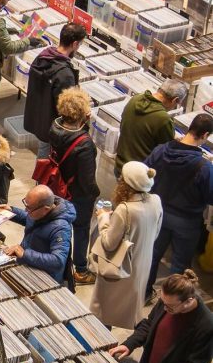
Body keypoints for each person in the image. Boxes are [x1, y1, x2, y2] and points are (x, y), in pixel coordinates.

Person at [111, 270, 213, 363]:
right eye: (162, 302)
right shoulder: (168, 300)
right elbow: (149, 324)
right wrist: (130, 344)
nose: (165, 308)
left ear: (188, 301)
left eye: (170, 307)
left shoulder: (206, 325)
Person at [90, 162, 163, 330]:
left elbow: (109, 243)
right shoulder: (156, 201)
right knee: (131, 308)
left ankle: (103, 340)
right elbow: (156, 233)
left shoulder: (125, 209)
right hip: (142, 264)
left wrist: (103, 217)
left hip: (120, 266)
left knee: (105, 310)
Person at [147, 113, 213, 292]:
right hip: (187, 222)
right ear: (205, 135)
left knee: (152, 255)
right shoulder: (204, 167)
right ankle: (171, 301)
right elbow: (210, 196)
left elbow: (146, 174)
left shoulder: (160, 150)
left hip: (159, 212)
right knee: (180, 265)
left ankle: (144, 292)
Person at [49, 87, 99, 286]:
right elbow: (87, 180)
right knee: (81, 229)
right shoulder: (84, 144)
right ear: (82, 114)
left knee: (61, 225)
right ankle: (81, 270)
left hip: (57, 186)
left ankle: (63, 264)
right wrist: (95, 193)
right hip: (77, 194)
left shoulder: (55, 127)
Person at [23, 22, 86, 153]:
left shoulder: (42, 57)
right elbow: (67, 109)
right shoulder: (65, 74)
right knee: (46, 159)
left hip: (39, 118)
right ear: (75, 44)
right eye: (80, 45)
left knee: (43, 152)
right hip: (53, 128)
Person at [4, 186, 76, 285]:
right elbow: (28, 218)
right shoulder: (39, 211)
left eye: (29, 208)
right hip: (28, 266)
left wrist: (25, 254)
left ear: (45, 209)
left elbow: (58, 261)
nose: (26, 210)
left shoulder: (61, 228)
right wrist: (11, 211)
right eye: (25, 204)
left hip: (44, 279)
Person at [115, 78, 188, 176]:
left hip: (121, 166)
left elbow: (141, 129)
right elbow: (165, 153)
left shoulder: (135, 99)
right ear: (175, 100)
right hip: (140, 175)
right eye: (176, 104)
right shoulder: (163, 119)